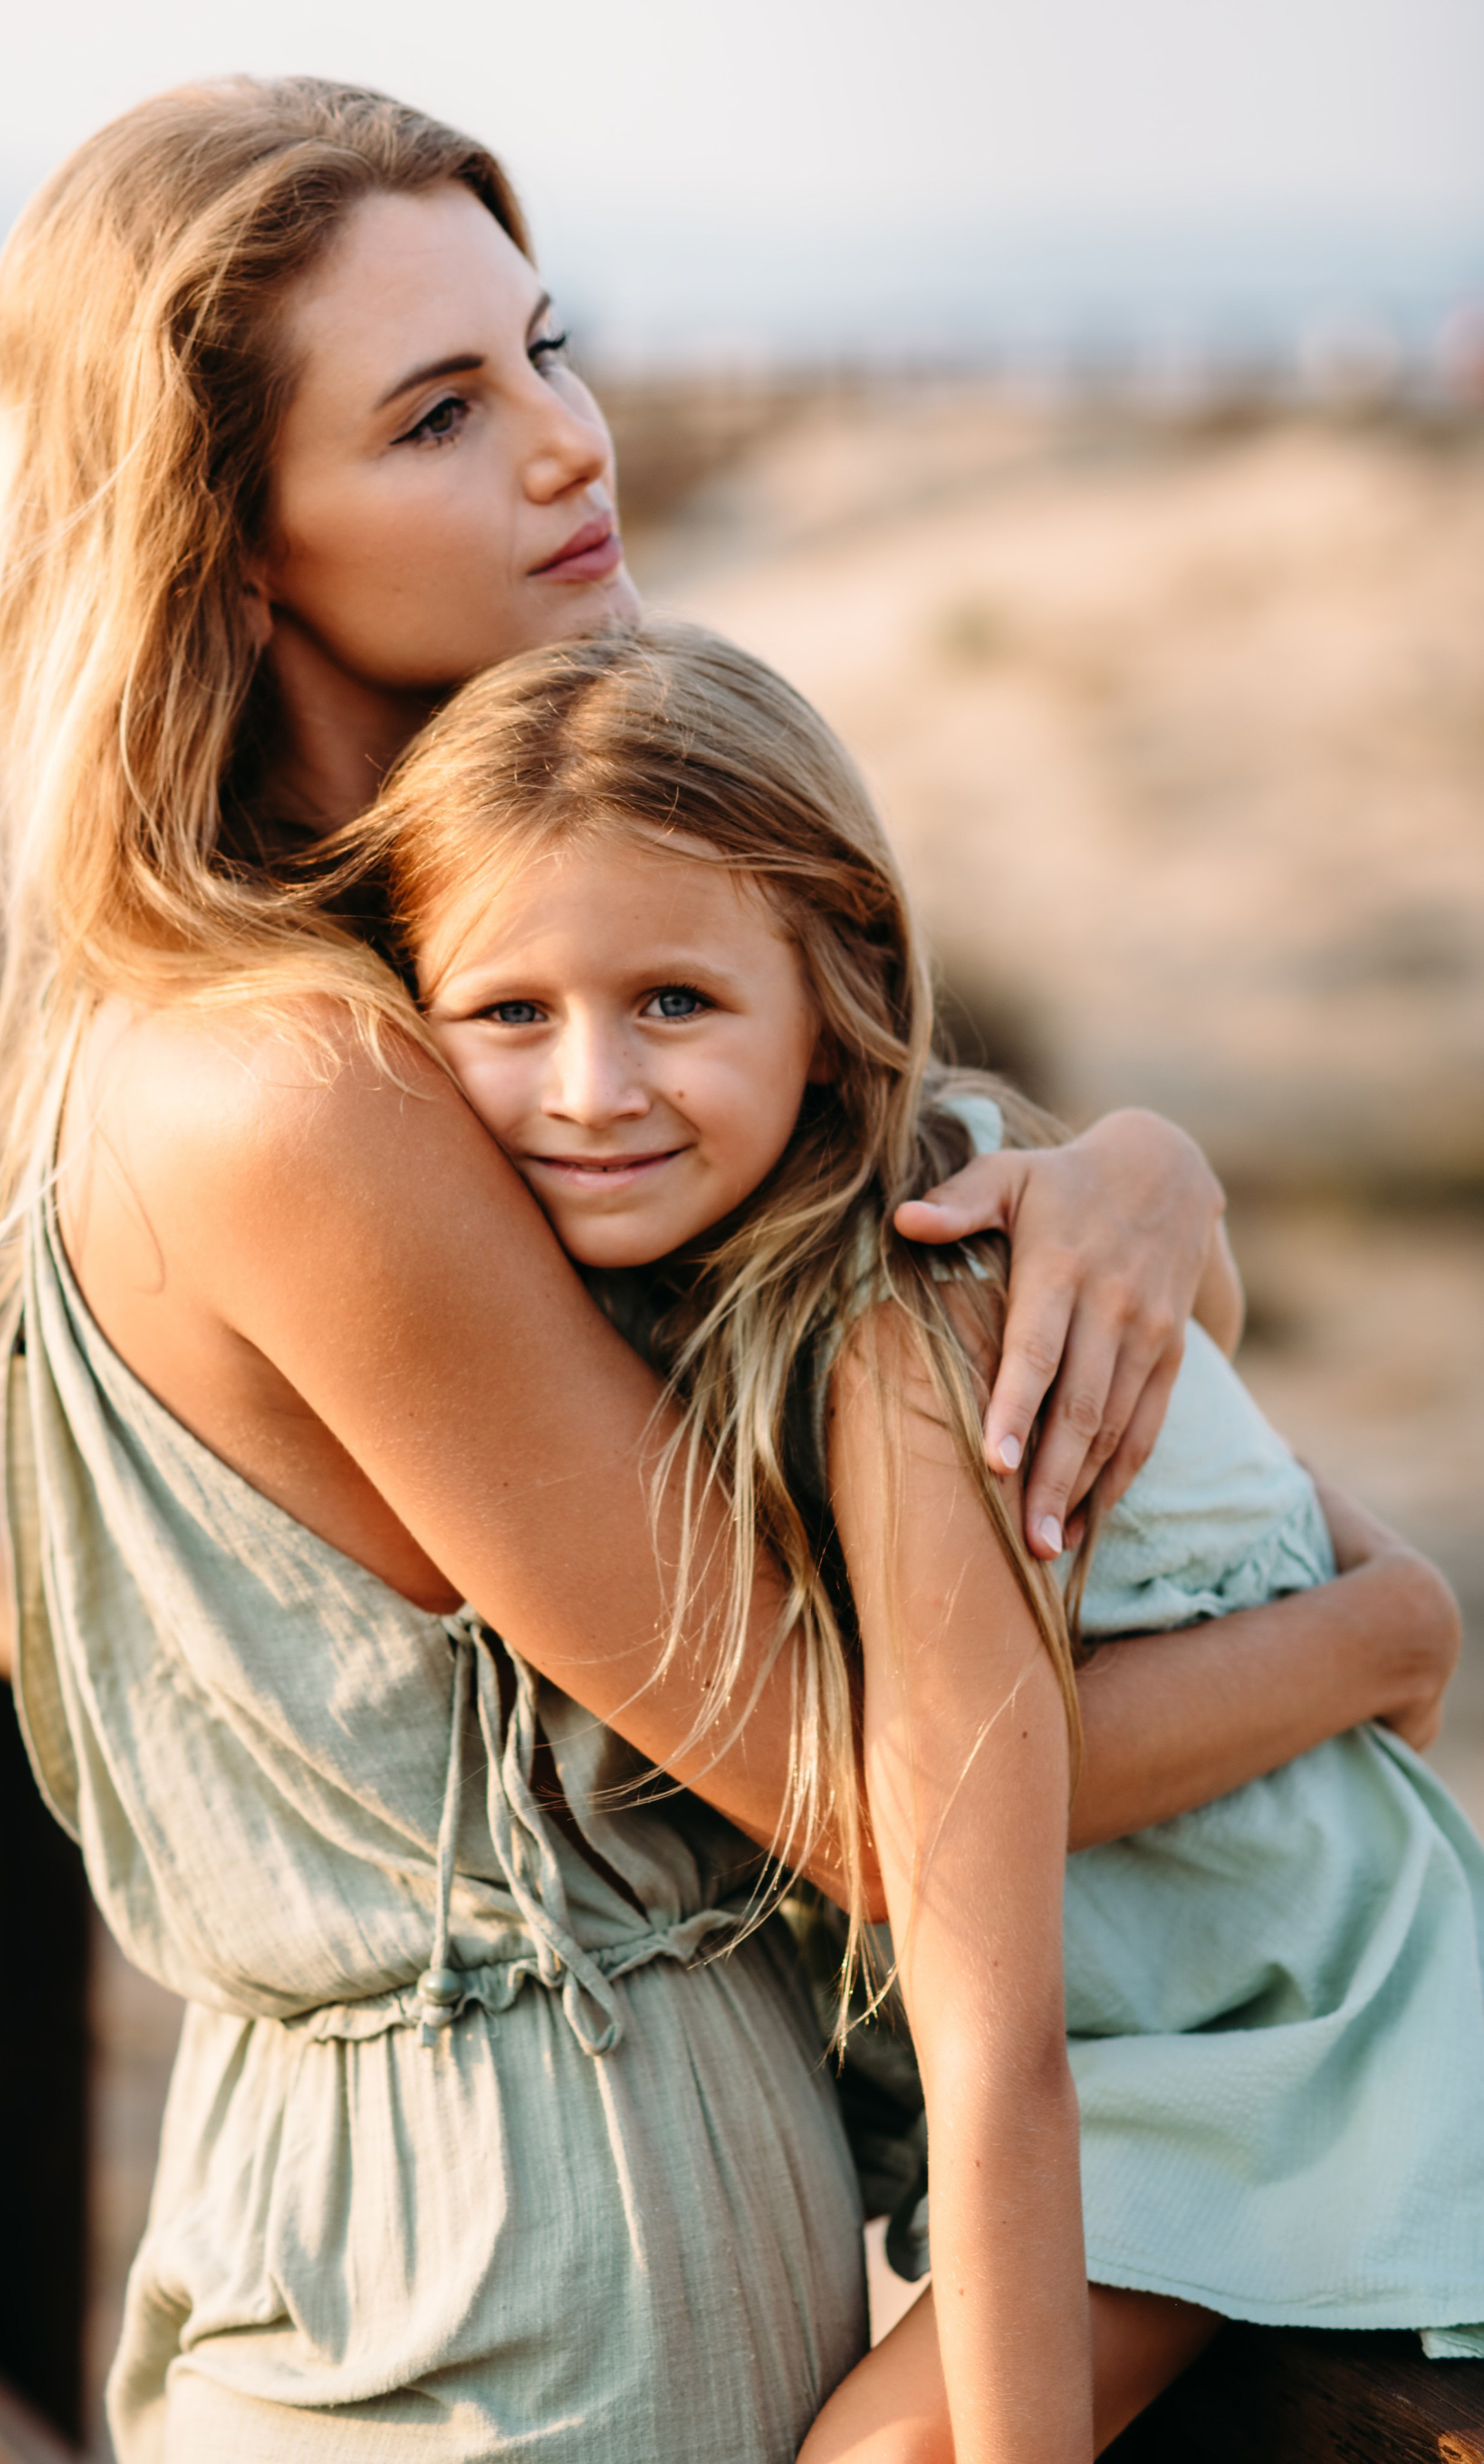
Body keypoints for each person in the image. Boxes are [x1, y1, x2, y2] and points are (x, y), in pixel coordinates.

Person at [0, 75, 1457, 2462]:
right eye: (437, 414)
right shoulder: (306, 1084)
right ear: (231, 538)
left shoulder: (424, 993)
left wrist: (1127, 1176)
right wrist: (1386, 1634)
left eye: (547, 349)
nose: (569, 447)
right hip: (527, 2292)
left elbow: (852, 1271)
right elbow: (853, 1782)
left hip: (478, 2241)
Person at [365, 615, 1484, 2463]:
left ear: (837, 989)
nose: (590, 1089)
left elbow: (996, 2037)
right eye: (507, 1014)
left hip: (1288, 2030)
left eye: (674, 1003)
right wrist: (1390, 1625)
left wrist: (1397, 1624)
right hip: (1186, 2015)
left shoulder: (904, 1327)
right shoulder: (720, 1273)